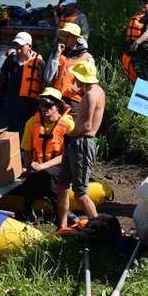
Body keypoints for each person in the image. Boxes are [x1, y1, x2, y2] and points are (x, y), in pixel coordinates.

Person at [56, 61, 104, 230]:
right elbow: (84, 116)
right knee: (62, 185)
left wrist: (68, 132)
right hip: (76, 143)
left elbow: (87, 126)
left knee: (80, 193)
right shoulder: (94, 91)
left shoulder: (91, 95)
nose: (74, 79)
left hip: (82, 143)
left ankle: (101, 227)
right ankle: (62, 225)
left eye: (76, 77)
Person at [19, 88, 74, 222]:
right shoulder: (32, 123)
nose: (45, 109)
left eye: (49, 106)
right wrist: (28, 165)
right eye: (42, 106)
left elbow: (67, 155)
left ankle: (63, 212)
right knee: (32, 178)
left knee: (48, 177)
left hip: (60, 165)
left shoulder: (68, 125)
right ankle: (28, 211)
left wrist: (43, 166)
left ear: (58, 107)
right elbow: (26, 149)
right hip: (37, 165)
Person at [0, 32, 45, 138]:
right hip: (8, 107)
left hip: (28, 109)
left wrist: (40, 112)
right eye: (16, 46)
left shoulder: (39, 63)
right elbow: (1, 84)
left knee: (23, 139)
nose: (18, 49)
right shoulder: (10, 60)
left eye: (21, 46)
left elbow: (43, 88)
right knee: (3, 137)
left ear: (29, 46)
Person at [45, 22, 94, 110]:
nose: (64, 39)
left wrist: (80, 89)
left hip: (74, 103)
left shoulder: (87, 58)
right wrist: (57, 55)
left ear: (76, 38)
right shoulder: (57, 53)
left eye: (67, 36)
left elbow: (91, 86)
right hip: (56, 100)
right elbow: (48, 78)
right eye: (63, 35)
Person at [122, 0, 148, 83]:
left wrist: (136, 43)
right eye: (141, 3)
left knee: (143, 72)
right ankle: (139, 88)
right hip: (140, 47)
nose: (143, 5)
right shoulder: (141, 16)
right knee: (136, 70)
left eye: (146, 3)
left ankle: (146, 90)